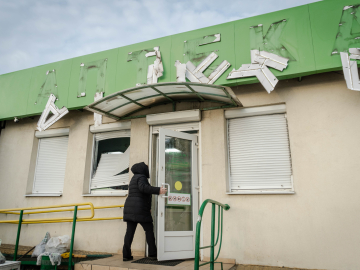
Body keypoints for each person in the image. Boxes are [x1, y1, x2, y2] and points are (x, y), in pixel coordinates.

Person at [122, 162, 167, 261]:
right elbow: (143, 188)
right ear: (143, 169)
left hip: (130, 208)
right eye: (147, 167)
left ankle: (126, 255)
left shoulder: (134, 178)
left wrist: (149, 207)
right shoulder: (142, 177)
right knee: (149, 230)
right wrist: (158, 190)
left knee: (129, 233)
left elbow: (139, 193)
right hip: (140, 209)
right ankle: (152, 254)